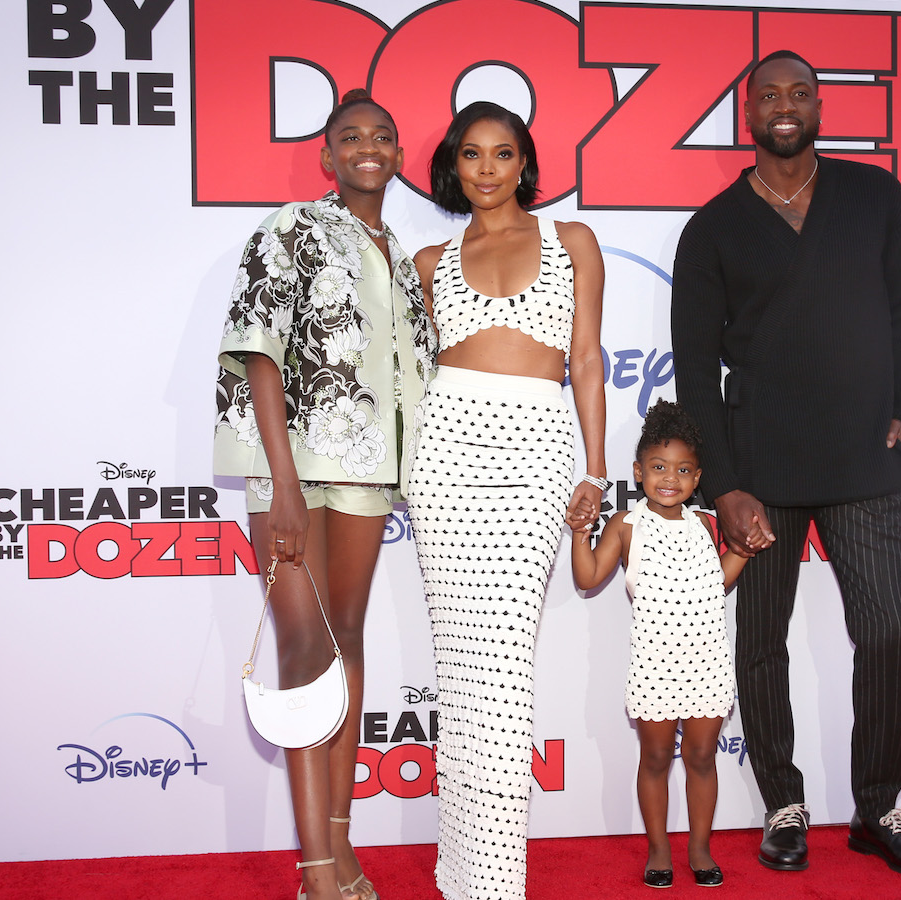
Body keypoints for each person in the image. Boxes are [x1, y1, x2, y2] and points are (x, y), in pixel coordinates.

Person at [669, 50, 901, 877]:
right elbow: (693, 370)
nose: (784, 107)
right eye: (768, 97)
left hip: (864, 454)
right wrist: (725, 482)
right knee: (758, 643)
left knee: (887, 632)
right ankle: (783, 805)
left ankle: (878, 809)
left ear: (820, 106)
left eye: (799, 93)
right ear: (746, 115)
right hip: (760, 471)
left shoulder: (875, 197)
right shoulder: (712, 229)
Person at [213, 89, 436, 900]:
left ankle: (341, 847)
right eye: (351, 136)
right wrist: (278, 484)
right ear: (328, 156)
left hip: (371, 475)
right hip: (297, 473)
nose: (368, 146)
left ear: (400, 155)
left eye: (383, 134)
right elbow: (259, 351)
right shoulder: (292, 228)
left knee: (345, 638)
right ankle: (316, 875)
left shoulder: (401, 256)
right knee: (307, 652)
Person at [408, 100, 607, 900]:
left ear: (525, 163)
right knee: (462, 673)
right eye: (469, 156)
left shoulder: (572, 240)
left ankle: (489, 879)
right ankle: (467, 874)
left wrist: (594, 471)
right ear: (453, 167)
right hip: (446, 455)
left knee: (502, 672)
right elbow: (420, 379)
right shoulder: (428, 258)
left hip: (535, 454)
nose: (486, 170)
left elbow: (587, 360)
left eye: (501, 154)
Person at [567, 400, 746, 890]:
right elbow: (587, 578)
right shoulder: (627, 525)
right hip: (656, 665)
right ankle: (660, 849)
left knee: (703, 758)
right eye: (659, 467)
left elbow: (717, 585)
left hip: (708, 662)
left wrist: (743, 553)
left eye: (684, 470)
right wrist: (582, 531)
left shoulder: (707, 525)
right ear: (638, 471)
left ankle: (700, 849)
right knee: (656, 759)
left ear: (698, 476)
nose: (671, 478)